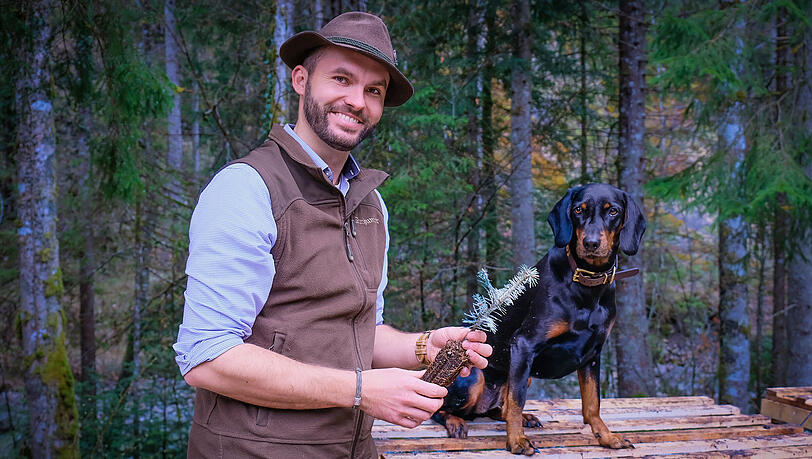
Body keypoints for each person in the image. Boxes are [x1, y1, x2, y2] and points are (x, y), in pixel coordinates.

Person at [173, 12, 492, 458]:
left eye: (373, 90)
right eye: (341, 79)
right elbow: (207, 357)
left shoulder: (370, 205)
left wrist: (423, 345)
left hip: (354, 448)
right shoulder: (247, 188)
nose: (357, 101)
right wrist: (361, 390)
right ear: (301, 80)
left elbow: (359, 331)